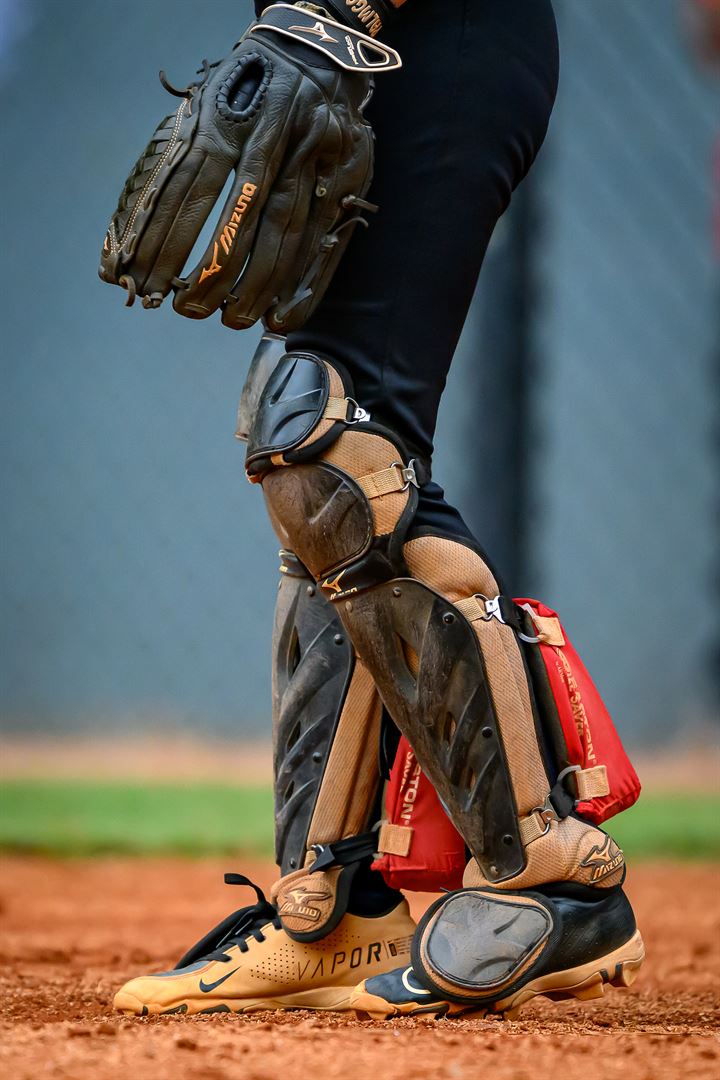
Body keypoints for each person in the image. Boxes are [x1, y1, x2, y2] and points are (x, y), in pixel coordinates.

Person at [111, 0, 644, 1019]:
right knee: (315, 452)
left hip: (443, 34)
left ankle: (551, 875)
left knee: (337, 443)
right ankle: (337, 905)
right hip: (359, 50)